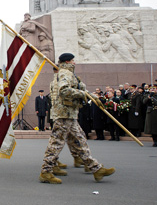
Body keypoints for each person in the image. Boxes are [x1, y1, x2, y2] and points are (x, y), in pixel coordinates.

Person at [39, 53, 115, 184]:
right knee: (56, 143)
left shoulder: (71, 74)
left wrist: (93, 97)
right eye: (73, 60)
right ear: (68, 61)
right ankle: (46, 171)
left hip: (70, 113)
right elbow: (64, 91)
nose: (75, 63)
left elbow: (81, 89)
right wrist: (83, 94)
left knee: (80, 140)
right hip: (64, 113)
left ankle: (95, 168)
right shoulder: (64, 73)